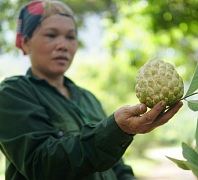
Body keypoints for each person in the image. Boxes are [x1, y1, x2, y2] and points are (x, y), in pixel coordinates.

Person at [0, 1, 183, 180]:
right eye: (51, 35)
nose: (63, 45)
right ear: (25, 42)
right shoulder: (12, 93)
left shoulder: (88, 98)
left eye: (70, 37)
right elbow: (41, 165)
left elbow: (116, 166)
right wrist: (115, 130)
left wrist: (120, 135)